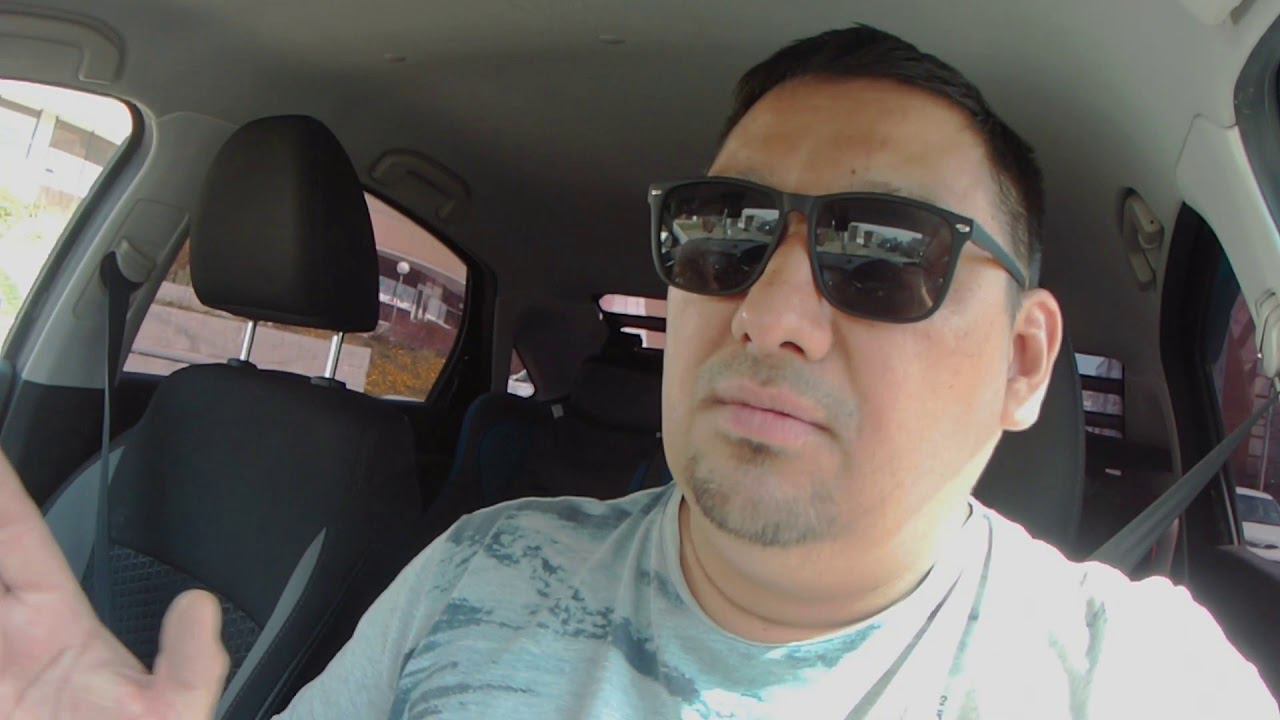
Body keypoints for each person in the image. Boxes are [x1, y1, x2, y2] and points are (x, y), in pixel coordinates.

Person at [1, 25, 1276, 720]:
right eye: (725, 235)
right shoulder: (478, 570)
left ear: (1022, 361)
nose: (768, 313)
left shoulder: (1123, 677)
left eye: (881, 253)